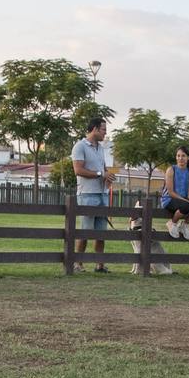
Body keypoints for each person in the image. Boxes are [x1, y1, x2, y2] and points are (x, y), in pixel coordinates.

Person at [72, 116, 111, 273]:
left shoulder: (101, 148)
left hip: (102, 194)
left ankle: (99, 265)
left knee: (101, 233)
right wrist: (100, 174)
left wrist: (107, 177)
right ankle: (77, 263)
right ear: (94, 129)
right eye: (103, 130)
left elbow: (103, 169)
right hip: (87, 194)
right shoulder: (80, 146)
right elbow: (78, 170)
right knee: (85, 231)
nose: (105, 133)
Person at [160, 145, 189, 239]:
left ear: (188, 157)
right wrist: (188, 201)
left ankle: (184, 225)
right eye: (178, 156)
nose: (180, 158)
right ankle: (172, 223)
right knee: (186, 205)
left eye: (183, 156)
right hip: (169, 200)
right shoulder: (171, 170)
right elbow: (171, 193)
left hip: (183, 201)